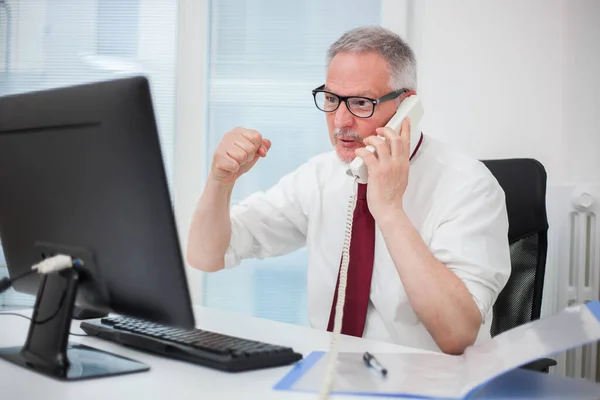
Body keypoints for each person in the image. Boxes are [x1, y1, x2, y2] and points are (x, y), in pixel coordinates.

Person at [187, 26, 511, 355]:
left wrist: (389, 211)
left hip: (427, 385)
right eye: (331, 99)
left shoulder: (468, 186)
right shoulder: (320, 175)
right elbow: (206, 255)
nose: (340, 120)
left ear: (406, 107)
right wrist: (220, 182)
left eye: (360, 102)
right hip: (326, 378)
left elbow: (457, 335)